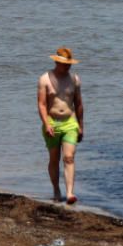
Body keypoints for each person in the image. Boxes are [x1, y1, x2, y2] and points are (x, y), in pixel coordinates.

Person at [37, 47, 84, 204]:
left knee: (69, 157)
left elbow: (78, 104)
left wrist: (81, 125)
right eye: (65, 64)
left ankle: (70, 193)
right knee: (54, 159)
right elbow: (42, 105)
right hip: (52, 122)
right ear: (57, 62)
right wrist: (46, 124)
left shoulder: (75, 79)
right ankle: (56, 190)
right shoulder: (44, 79)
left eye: (69, 64)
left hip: (70, 122)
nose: (68, 66)